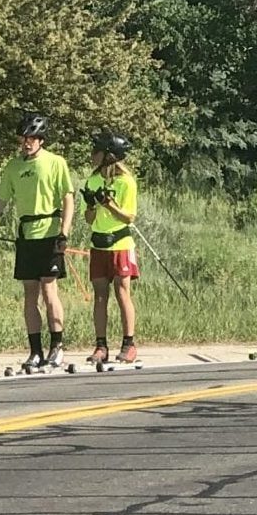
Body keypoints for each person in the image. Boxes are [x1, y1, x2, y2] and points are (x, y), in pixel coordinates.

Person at [0, 113, 76, 370]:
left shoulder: (55, 162)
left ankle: (57, 348)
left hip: (49, 233)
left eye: (30, 138)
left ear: (41, 139)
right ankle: (35, 351)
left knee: (50, 291)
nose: (25, 143)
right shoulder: (13, 167)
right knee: (29, 294)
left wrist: (64, 232)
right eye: (23, 139)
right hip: (26, 235)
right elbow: (0, 202)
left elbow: (68, 198)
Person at [83, 130, 141, 366]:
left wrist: (109, 204)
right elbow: (88, 219)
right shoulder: (93, 180)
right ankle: (101, 345)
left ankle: (129, 344)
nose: (92, 155)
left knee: (121, 291)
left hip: (120, 243)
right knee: (99, 295)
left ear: (108, 156)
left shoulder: (126, 182)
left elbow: (129, 217)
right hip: (99, 243)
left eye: (96, 151)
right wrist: (91, 205)